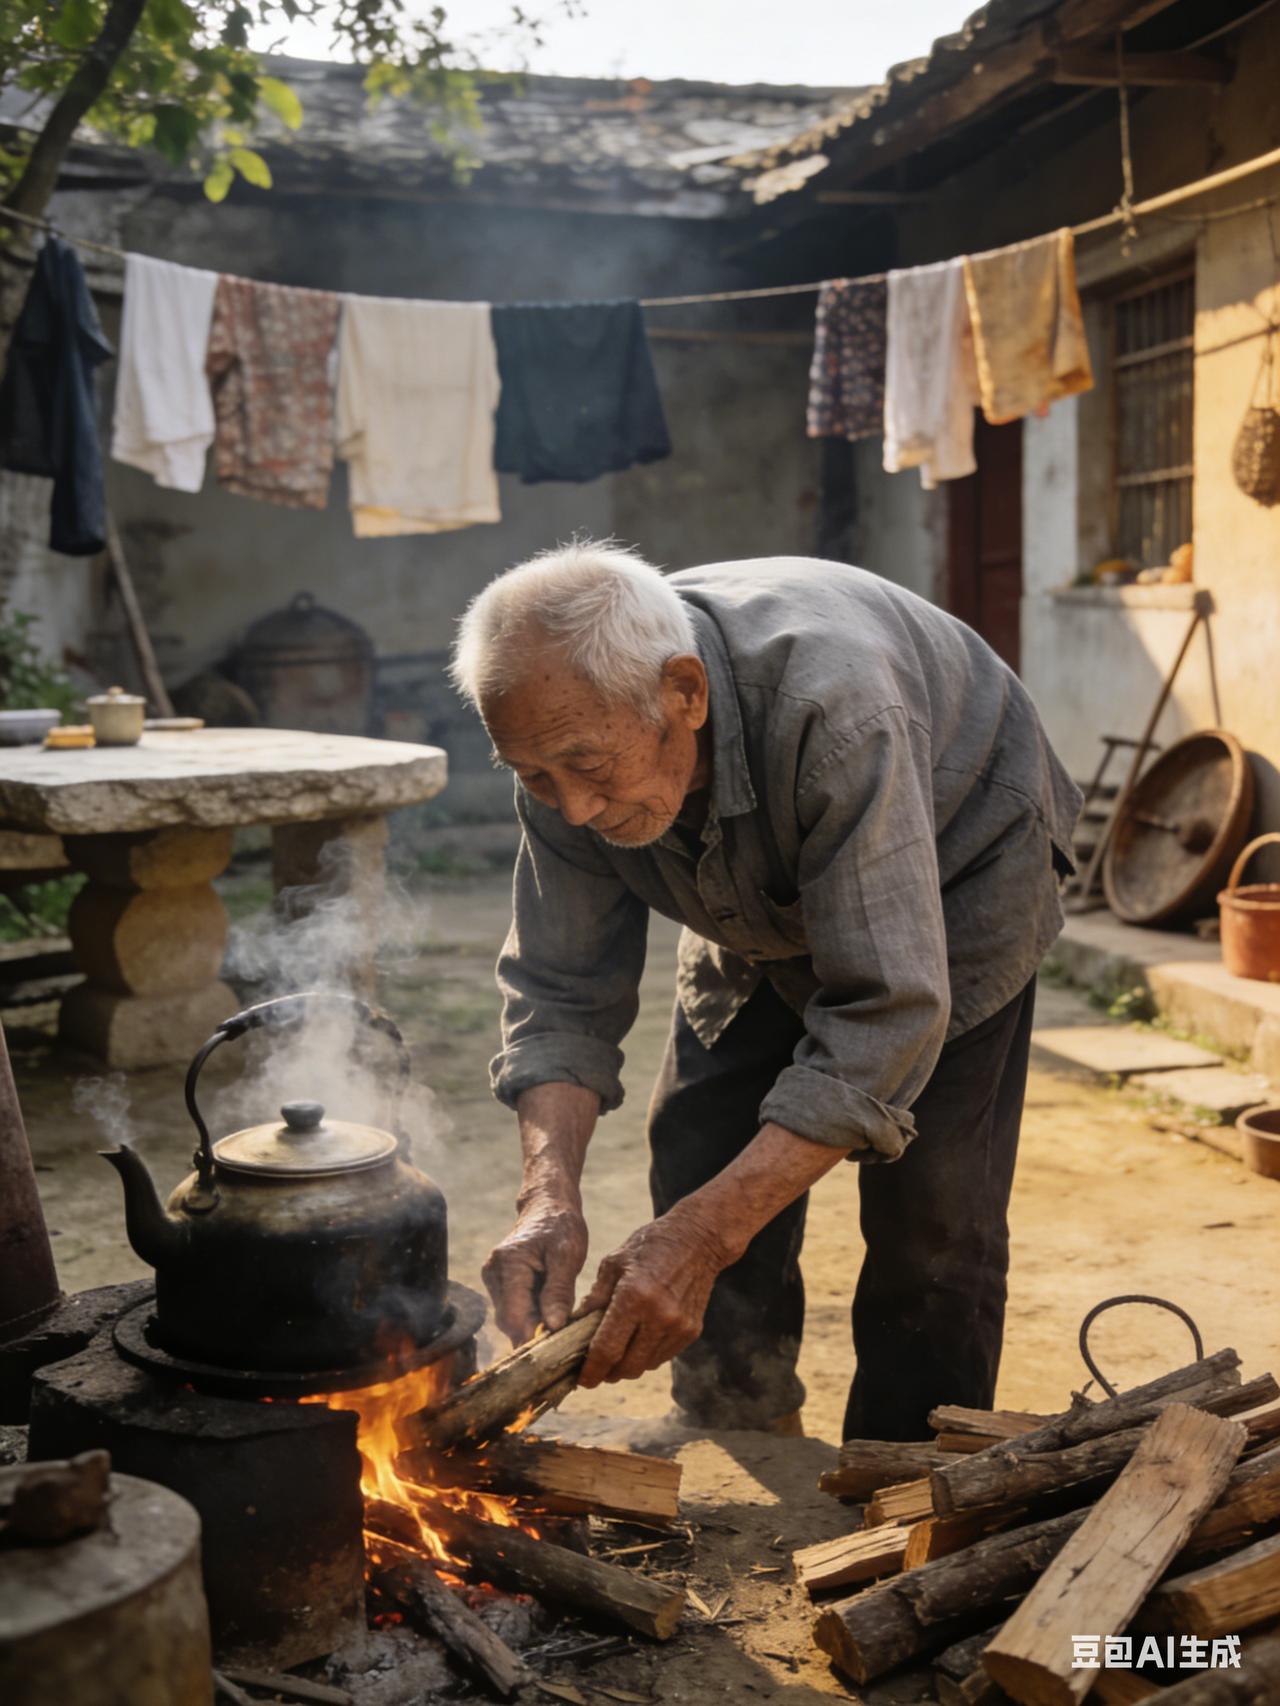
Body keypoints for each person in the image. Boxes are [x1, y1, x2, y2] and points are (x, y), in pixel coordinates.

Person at [449, 542, 1080, 1440]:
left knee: (931, 1217)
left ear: (685, 694)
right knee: (701, 1138)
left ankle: (904, 1474)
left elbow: (887, 1010)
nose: (574, 809)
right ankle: (735, 1415)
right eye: (534, 775)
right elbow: (560, 989)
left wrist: (704, 1238)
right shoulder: (563, 751)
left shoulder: (837, 709)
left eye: (588, 768)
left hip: (959, 863)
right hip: (755, 887)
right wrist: (548, 1196)